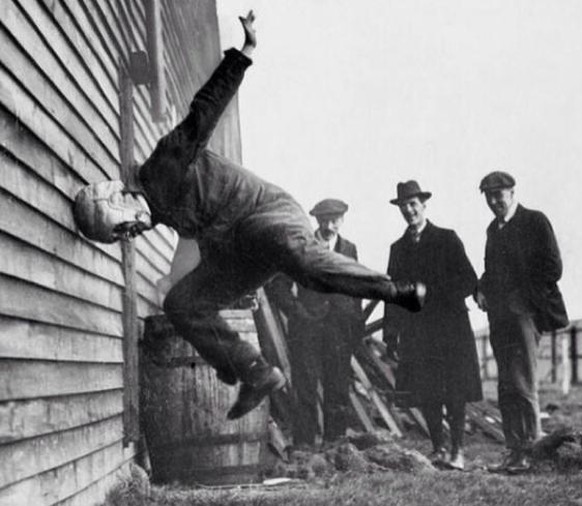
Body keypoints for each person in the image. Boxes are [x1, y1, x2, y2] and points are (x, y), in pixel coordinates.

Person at [72, 11, 425, 421]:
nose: (131, 234)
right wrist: (222, 321)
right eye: (123, 237)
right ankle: (256, 373)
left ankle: (395, 290)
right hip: (236, 245)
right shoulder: (159, 209)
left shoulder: (164, 163)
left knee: (300, 262)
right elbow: (200, 232)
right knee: (181, 303)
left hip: (266, 214)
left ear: (121, 198)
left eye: (123, 227)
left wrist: (244, 52)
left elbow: (205, 108)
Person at [383, 180, 482, 471]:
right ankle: (439, 447)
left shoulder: (446, 239)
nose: (409, 210)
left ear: (424, 205)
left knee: (454, 389)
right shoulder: (398, 248)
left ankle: (458, 450)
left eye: (413, 204)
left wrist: (431, 292)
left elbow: (468, 280)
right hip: (417, 330)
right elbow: (392, 294)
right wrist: (391, 335)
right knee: (427, 390)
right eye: (403, 206)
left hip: (450, 327)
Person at [475, 171, 568, 474]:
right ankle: (514, 451)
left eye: (498, 195)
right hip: (499, 317)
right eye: (488, 196)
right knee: (505, 384)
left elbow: (552, 267)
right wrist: (481, 288)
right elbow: (491, 271)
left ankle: (531, 450)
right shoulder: (493, 229)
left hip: (524, 315)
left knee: (522, 381)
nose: (493, 201)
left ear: (512, 192)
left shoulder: (534, 221)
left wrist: (522, 301)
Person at [266, 199, 365, 446]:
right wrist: (297, 312)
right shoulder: (301, 248)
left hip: (339, 331)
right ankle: (304, 450)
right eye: (324, 221)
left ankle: (336, 448)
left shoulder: (349, 249)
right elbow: (278, 286)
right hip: (307, 329)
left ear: (342, 220)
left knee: (338, 389)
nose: (329, 226)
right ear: (317, 221)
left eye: (334, 221)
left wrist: (355, 323)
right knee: (306, 390)